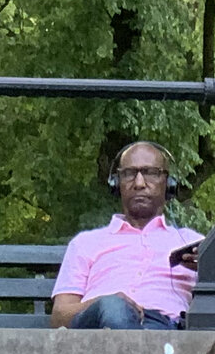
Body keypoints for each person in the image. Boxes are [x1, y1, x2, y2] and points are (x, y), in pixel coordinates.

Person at [49, 141, 204, 329]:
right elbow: (59, 317)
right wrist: (106, 302)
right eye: (129, 174)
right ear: (116, 184)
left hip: (165, 330)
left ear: (169, 183)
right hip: (99, 328)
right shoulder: (85, 243)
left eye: (151, 173)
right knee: (114, 308)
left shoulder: (191, 242)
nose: (139, 183)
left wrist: (209, 270)